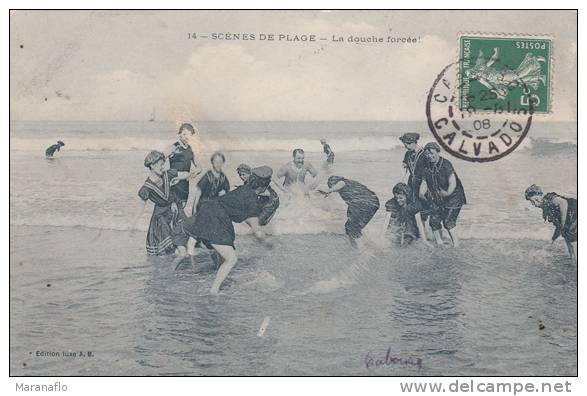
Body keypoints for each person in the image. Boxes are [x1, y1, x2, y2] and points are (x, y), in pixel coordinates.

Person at [180, 166, 276, 294]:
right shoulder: (253, 201)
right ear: (264, 186)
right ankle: (214, 291)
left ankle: (196, 268)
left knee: (218, 253)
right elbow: (256, 229)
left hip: (206, 210)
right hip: (217, 218)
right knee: (231, 259)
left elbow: (243, 216)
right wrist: (266, 242)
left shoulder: (243, 189)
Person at [131, 151, 196, 255]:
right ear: (152, 166)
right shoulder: (146, 188)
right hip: (161, 216)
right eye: (160, 165)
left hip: (176, 209)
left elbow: (183, 174)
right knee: (169, 250)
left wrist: (187, 175)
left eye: (163, 164)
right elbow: (141, 208)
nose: (162, 167)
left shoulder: (167, 174)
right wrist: (133, 224)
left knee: (186, 235)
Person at [420, 142, 467, 248]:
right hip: (439, 197)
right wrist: (422, 193)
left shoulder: (446, 164)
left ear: (437, 152)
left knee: (448, 221)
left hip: (454, 196)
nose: (429, 156)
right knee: (434, 220)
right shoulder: (426, 166)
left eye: (432, 153)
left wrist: (447, 193)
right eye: (427, 154)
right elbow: (424, 182)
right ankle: (440, 243)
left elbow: (452, 182)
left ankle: (456, 245)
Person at [319, 175, 380, 248]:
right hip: (373, 203)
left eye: (330, 185)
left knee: (351, 228)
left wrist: (329, 190)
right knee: (354, 227)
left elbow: (340, 184)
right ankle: (366, 245)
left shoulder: (342, 182)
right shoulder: (352, 185)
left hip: (364, 203)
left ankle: (359, 248)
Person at [525, 184, 577, 264]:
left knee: (572, 238)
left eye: (535, 199)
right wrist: (552, 240)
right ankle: (572, 258)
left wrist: (563, 222)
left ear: (540, 195)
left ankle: (576, 261)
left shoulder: (549, 198)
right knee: (567, 236)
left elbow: (563, 202)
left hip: (575, 213)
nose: (535, 203)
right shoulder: (547, 207)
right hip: (570, 218)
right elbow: (559, 227)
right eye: (532, 202)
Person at [165, 123, 198, 208]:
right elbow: (159, 158)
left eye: (189, 135)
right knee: (172, 212)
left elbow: (199, 167)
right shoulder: (174, 147)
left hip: (185, 185)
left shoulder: (190, 149)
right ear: (179, 134)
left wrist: (192, 174)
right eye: (184, 134)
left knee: (181, 211)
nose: (187, 137)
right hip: (174, 184)